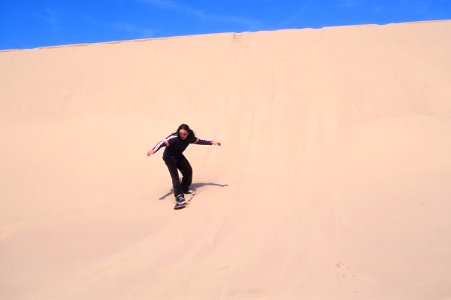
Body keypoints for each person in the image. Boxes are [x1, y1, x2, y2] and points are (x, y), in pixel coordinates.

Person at [147, 124, 221, 208]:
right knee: (175, 177)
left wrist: (212, 142)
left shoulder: (190, 138)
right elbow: (162, 142)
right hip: (169, 158)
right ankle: (179, 197)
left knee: (188, 171)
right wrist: (153, 150)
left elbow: (199, 141)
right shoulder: (173, 138)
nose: (182, 135)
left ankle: (184, 188)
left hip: (178, 156)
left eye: (184, 134)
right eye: (180, 133)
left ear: (188, 133)